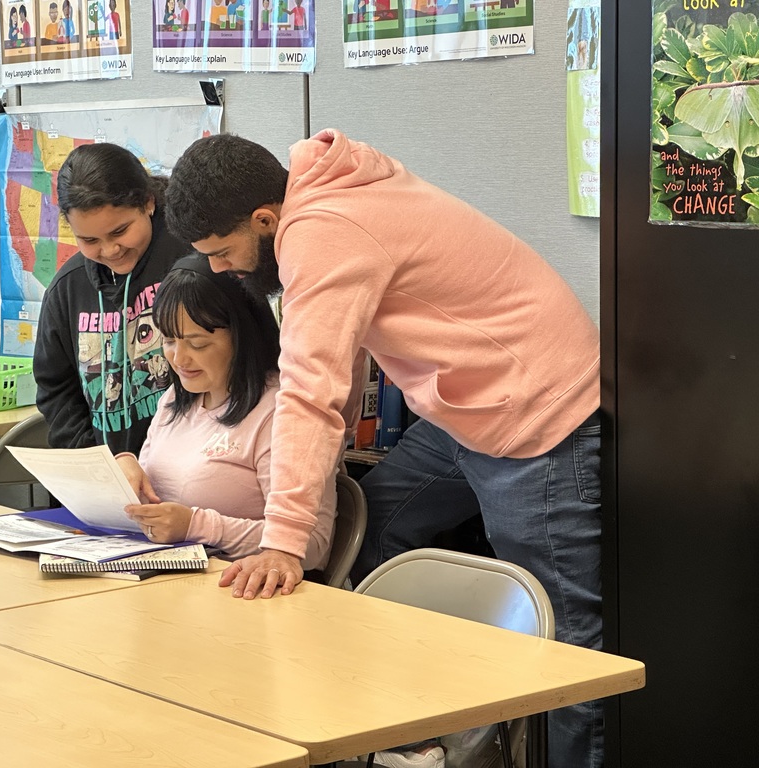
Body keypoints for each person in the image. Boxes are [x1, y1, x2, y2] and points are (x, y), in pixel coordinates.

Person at [165, 130, 602, 768]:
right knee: (371, 530)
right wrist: (315, 476)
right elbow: (341, 367)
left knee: (566, 645)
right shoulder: (330, 191)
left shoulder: (321, 229)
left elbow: (309, 392)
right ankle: (409, 735)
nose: (220, 269)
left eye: (224, 251)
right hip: (467, 413)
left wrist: (282, 542)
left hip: (538, 412)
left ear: (265, 218)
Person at [120, 254, 335, 569]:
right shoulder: (176, 398)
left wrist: (197, 527)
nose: (179, 359)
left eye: (199, 344)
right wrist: (126, 470)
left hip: (245, 592)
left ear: (242, 337)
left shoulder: (283, 413)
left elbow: (313, 546)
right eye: (168, 340)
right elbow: (160, 499)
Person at [33, 143, 191, 456]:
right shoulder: (67, 288)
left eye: (120, 231)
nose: (109, 250)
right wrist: (96, 461)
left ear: (147, 203)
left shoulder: (190, 261)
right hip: (111, 477)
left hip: (188, 471)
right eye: (89, 240)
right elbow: (56, 389)